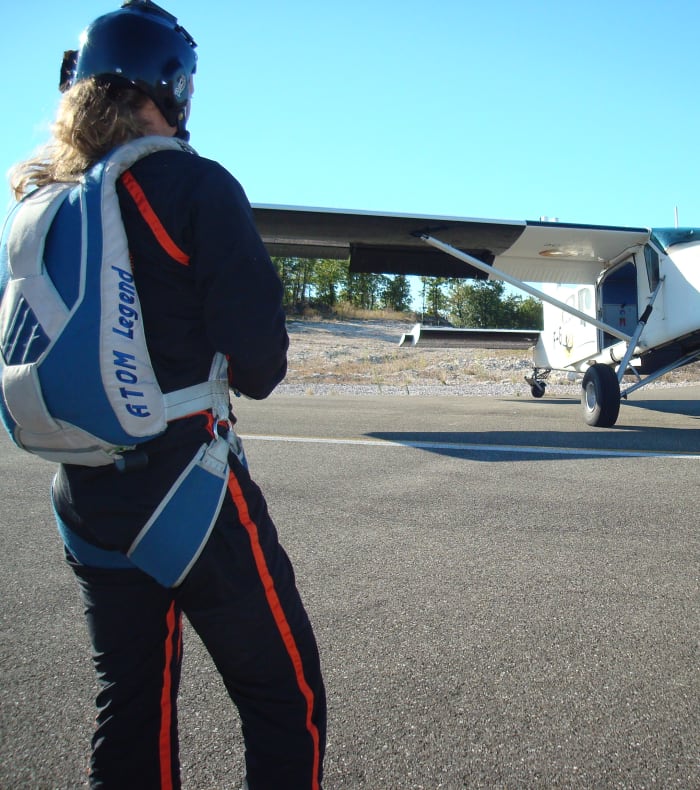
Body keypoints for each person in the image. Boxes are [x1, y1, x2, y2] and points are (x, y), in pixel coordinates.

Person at [7, 2, 326, 787]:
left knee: (132, 705)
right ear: (172, 87)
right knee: (285, 702)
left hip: (81, 495)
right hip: (188, 488)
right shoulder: (193, 186)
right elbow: (260, 364)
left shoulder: (44, 199)